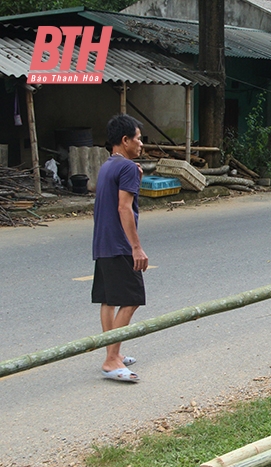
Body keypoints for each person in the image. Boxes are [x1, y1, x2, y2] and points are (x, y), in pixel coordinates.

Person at [92, 114, 147, 383]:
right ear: (124, 141)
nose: (140, 144)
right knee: (132, 297)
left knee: (109, 299)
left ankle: (114, 353)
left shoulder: (108, 166)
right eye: (137, 138)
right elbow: (124, 207)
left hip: (102, 243)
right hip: (119, 245)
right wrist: (136, 248)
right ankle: (111, 359)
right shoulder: (127, 168)